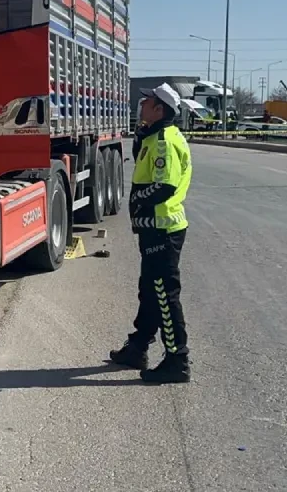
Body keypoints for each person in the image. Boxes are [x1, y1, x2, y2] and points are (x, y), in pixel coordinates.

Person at [110, 82, 194, 384]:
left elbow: (165, 186)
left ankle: (177, 360)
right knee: (150, 291)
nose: (141, 104)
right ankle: (138, 347)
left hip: (163, 229)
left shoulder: (163, 142)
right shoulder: (154, 136)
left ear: (160, 110)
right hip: (155, 229)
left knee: (163, 294)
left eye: (148, 101)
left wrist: (137, 201)